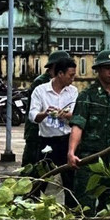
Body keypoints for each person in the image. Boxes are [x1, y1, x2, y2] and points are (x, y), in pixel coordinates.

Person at [67, 50, 110, 214]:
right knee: (85, 206)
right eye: (108, 68)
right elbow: (78, 125)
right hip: (90, 159)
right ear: (99, 70)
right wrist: (71, 152)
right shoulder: (87, 96)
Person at [28, 56, 78, 207]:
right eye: (70, 75)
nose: (73, 79)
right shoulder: (40, 91)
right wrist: (45, 113)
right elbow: (33, 116)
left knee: (71, 181)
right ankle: (33, 209)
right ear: (60, 74)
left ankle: (73, 212)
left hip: (67, 141)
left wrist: (65, 115)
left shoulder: (73, 91)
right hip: (46, 142)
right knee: (40, 180)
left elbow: (77, 116)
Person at [22, 50, 72, 171]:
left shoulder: (68, 87)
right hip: (37, 133)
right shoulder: (41, 83)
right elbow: (34, 113)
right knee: (34, 170)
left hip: (58, 134)